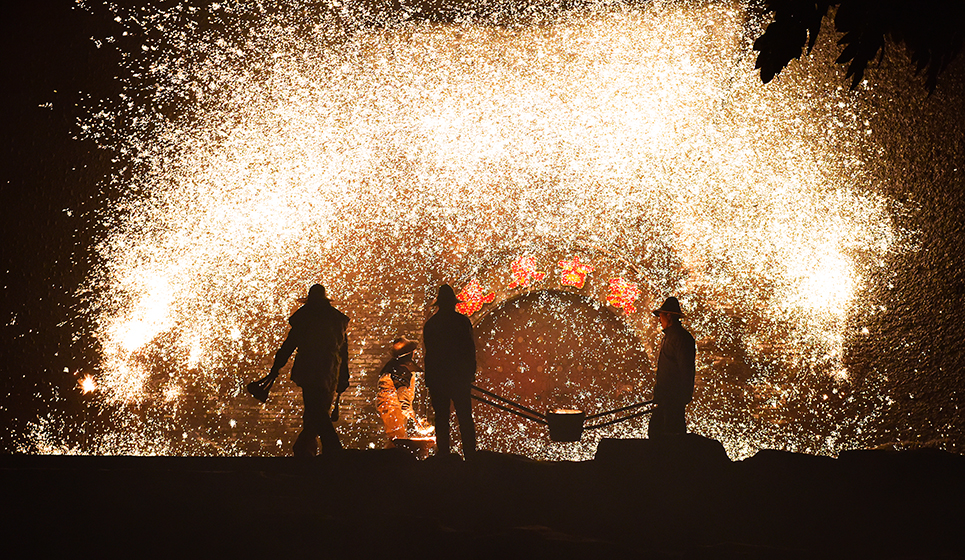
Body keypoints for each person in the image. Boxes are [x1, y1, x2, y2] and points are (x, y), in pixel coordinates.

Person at [267, 284, 350, 457]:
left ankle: (325, 448)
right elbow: (343, 351)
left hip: (311, 370)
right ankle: (308, 450)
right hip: (330, 371)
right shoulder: (337, 320)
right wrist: (343, 376)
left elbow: (289, 345)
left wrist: (276, 367)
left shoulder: (305, 318)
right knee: (319, 411)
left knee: (315, 410)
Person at [422, 284, 477, 459]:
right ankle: (470, 455)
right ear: (453, 303)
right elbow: (469, 350)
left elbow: (429, 353)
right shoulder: (462, 322)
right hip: (459, 377)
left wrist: (430, 379)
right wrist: (469, 374)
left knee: (441, 418)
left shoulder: (431, 324)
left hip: (438, 378)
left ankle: (444, 454)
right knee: (465, 418)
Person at [648, 296, 696, 438]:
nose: (659, 319)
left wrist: (683, 396)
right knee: (658, 432)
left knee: (671, 436)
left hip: (673, 398)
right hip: (665, 397)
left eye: (661, 315)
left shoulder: (680, 338)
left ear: (669, 316)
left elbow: (686, 369)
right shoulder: (670, 337)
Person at [376, 337, 421, 446]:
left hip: (394, 406)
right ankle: (392, 462)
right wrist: (406, 407)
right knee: (397, 440)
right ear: (409, 353)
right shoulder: (400, 368)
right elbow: (401, 388)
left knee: (399, 438)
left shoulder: (395, 366)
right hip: (392, 406)